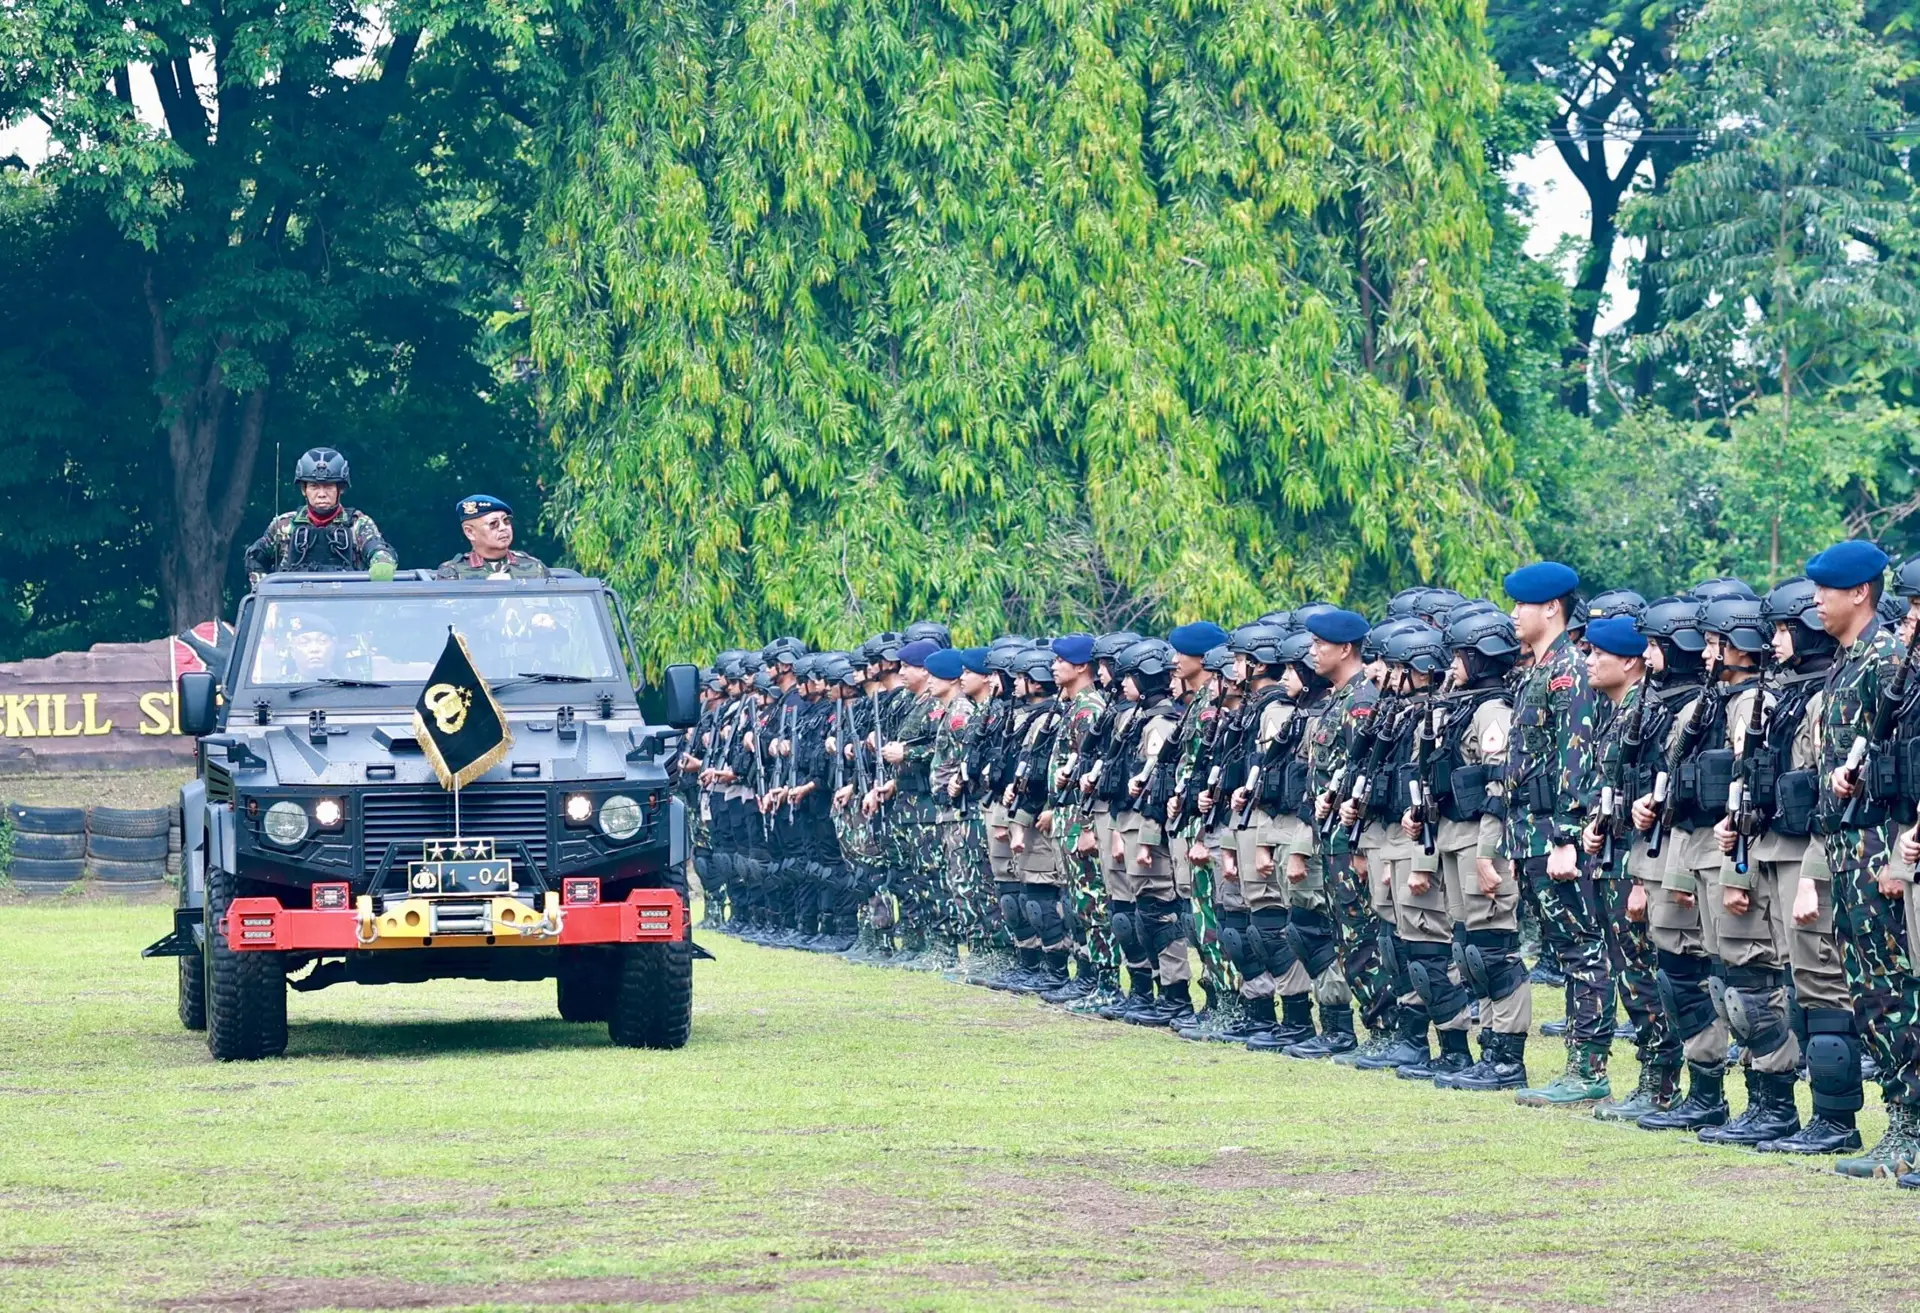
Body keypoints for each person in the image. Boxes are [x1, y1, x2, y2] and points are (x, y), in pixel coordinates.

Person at [244, 447, 396, 586]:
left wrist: (382, 562)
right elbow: (255, 558)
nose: (322, 494)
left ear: (340, 489)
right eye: (314, 486)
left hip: (347, 608)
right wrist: (265, 591)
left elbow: (378, 548)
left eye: (329, 486)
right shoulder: (284, 526)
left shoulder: (357, 524)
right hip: (291, 609)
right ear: (304, 490)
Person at [436, 495, 549, 580]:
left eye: (506, 521)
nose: (503, 528)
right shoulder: (453, 571)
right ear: (470, 532)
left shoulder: (533, 566)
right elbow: (446, 610)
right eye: (493, 524)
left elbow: (557, 608)